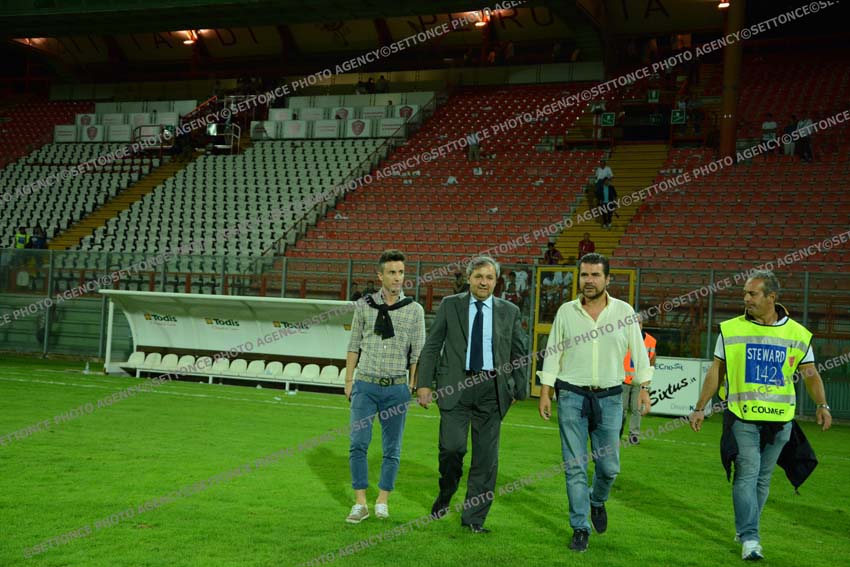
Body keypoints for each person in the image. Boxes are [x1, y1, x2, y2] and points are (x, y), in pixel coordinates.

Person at [689, 270, 831, 561]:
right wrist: (700, 407)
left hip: (780, 420)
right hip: (742, 417)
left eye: (752, 293)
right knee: (747, 473)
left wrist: (822, 405)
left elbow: (810, 373)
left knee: (763, 480)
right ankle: (751, 538)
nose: (746, 298)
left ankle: (746, 528)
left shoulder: (798, 334)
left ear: (771, 297)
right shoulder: (730, 329)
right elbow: (716, 371)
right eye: (745, 293)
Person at [537, 253, 652, 552]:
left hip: (611, 398)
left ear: (608, 279)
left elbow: (639, 353)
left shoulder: (624, 311)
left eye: (595, 275)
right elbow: (553, 351)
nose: (589, 280)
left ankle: (597, 500)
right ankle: (580, 527)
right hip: (571, 396)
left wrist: (644, 387)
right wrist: (546, 390)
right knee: (574, 466)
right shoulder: (566, 311)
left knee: (609, 468)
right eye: (584, 275)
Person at [416, 256, 528, 533]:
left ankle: (473, 520)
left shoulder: (509, 311)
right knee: (452, 449)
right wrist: (424, 384)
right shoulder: (450, 305)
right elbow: (433, 345)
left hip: (492, 391)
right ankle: (447, 491)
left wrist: (517, 388)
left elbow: (519, 352)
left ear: (496, 281)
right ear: (468, 279)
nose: (484, 282)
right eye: (478, 277)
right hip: (455, 388)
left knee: (485, 460)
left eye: (489, 278)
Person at [344, 249, 426, 523]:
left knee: (393, 448)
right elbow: (353, 345)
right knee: (358, 443)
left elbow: (418, 353)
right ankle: (360, 503)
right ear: (380, 276)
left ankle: (382, 500)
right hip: (365, 385)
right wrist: (348, 381)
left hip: (396, 389)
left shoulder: (414, 310)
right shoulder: (363, 306)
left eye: (401, 272)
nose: (397, 278)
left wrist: (412, 385)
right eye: (392, 272)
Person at [621, 321, 657, 444]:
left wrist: (646, 380)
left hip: (639, 382)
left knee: (636, 409)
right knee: (621, 409)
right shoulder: (623, 336)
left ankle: (634, 436)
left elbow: (652, 361)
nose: (637, 324)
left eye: (639, 322)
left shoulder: (650, 341)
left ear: (642, 325)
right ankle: (617, 433)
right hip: (623, 380)